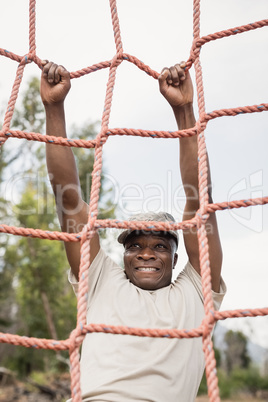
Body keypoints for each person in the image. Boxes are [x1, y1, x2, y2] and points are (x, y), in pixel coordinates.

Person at [41, 59, 226, 402]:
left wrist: (184, 111)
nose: (145, 253)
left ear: (176, 254)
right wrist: (54, 107)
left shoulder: (195, 294)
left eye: (158, 246)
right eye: (135, 245)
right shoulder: (101, 281)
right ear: (123, 253)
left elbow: (202, 200)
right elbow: (67, 197)